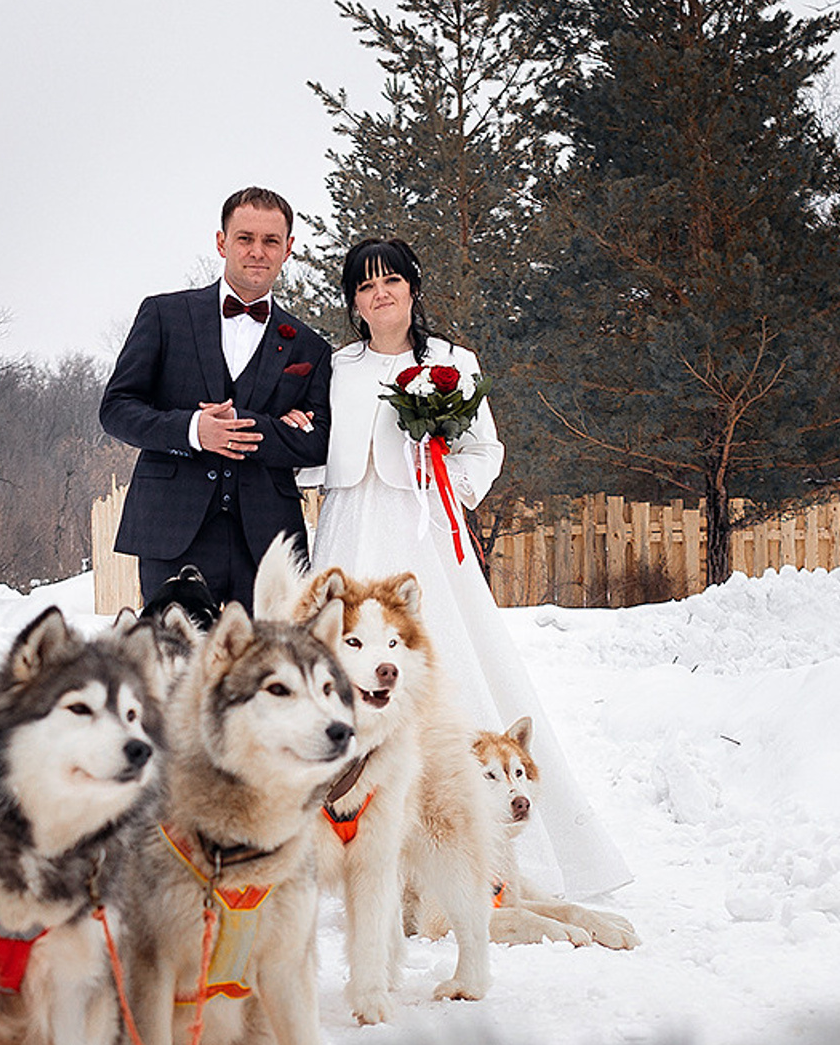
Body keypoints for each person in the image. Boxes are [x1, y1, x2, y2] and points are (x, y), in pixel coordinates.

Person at [309, 238, 630, 902]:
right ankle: (355, 853)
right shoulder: (334, 366)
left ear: (413, 287)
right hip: (349, 528)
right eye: (365, 286)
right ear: (353, 301)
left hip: (424, 532)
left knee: (448, 662)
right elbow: (311, 444)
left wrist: (443, 478)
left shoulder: (453, 363)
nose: (380, 294)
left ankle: (479, 851)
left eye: (391, 280)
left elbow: (485, 449)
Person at [99, 188, 331, 624]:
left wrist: (253, 426)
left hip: (268, 539)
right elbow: (116, 409)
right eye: (245, 238)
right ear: (222, 242)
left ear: (288, 249)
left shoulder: (310, 346)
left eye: (271, 241)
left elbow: (318, 442)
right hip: (173, 529)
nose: (257, 251)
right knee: (174, 658)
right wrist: (193, 431)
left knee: (266, 663)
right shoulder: (164, 315)